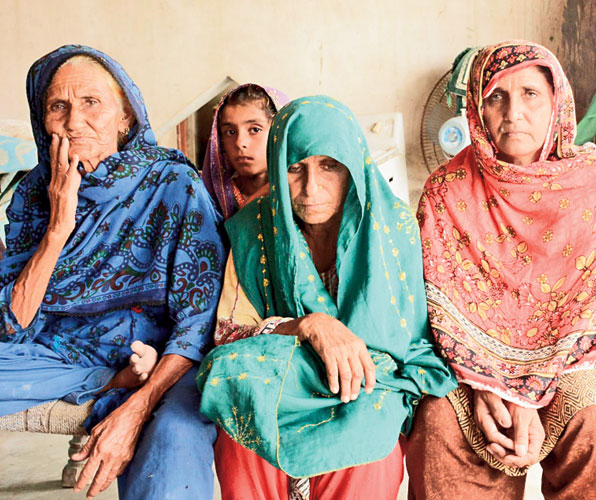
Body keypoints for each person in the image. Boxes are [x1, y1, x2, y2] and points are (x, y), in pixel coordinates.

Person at [197, 95, 456, 500]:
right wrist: (308, 326)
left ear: (353, 165)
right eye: (295, 169)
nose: (310, 187)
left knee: (369, 435)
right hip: (281, 382)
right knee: (238, 405)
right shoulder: (253, 230)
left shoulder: (396, 230)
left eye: (329, 166)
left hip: (369, 383)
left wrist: (353, 360)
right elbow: (230, 335)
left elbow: (413, 342)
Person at [0, 45, 225, 499]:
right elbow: (11, 322)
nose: (72, 120)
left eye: (91, 103)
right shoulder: (31, 192)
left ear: (125, 118)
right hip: (52, 356)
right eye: (57, 106)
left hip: (155, 356)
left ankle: (127, 384)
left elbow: (199, 321)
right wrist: (59, 224)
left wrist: (138, 406)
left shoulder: (171, 184)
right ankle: (109, 382)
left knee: (174, 441)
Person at [407, 40, 596, 500]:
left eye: (530, 94)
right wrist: (490, 386)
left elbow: (591, 307)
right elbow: (438, 305)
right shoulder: (446, 191)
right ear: (476, 109)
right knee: (439, 419)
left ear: (557, 104)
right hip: (469, 364)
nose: (514, 112)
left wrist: (527, 389)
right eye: (496, 97)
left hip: (571, 358)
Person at [202, 83, 289, 219]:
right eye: (230, 132)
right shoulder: (208, 199)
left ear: (280, 132)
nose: (240, 143)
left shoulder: (300, 196)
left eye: (255, 129)